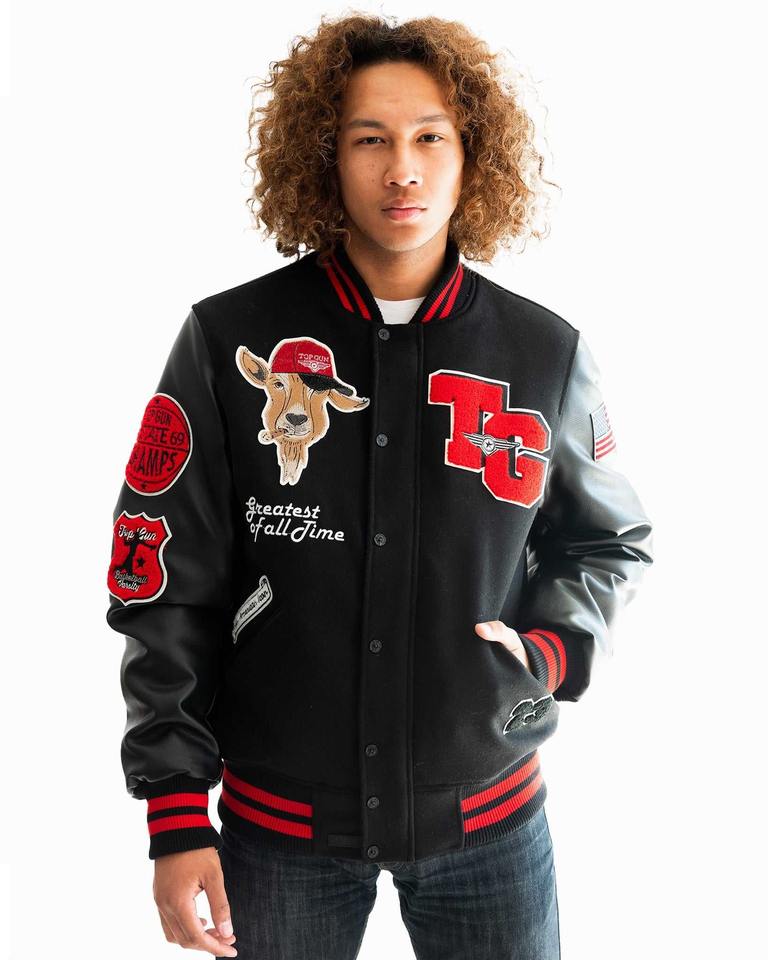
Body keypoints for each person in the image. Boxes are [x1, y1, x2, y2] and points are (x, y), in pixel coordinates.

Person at [105, 11, 654, 960]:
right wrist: (175, 810)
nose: (403, 169)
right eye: (370, 140)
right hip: (278, 835)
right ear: (325, 157)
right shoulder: (227, 340)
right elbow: (162, 579)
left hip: (492, 825)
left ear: (471, 156)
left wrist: (550, 651)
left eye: (430, 138)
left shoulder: (544, 352)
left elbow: (607, 540)